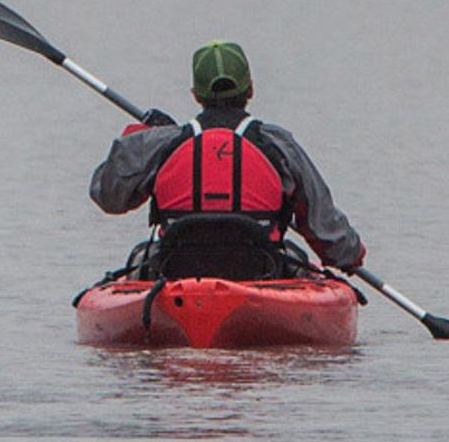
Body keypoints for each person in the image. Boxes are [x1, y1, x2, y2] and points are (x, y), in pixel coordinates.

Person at [87, 40, 364, 282]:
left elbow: (108, 196)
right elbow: (327, 229)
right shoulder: (279, 145)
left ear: (196, 94)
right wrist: (350, 256)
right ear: (250, 89)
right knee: (295, 257)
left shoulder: (160, 143)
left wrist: (138, 139)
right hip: (259, 270)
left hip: (176, 269)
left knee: (140, 256)